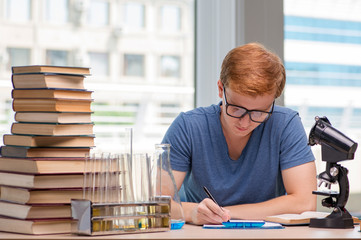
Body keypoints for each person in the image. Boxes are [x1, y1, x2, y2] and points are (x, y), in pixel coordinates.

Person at [161, 42, 317, 225]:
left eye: (259, 112)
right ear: (221, 89)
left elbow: (304, 202)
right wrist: (193, 212)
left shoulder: (285, 124)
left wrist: (226, 213)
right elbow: (158, 203)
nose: (245, 122)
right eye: (236, 108)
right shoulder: (188, 127)